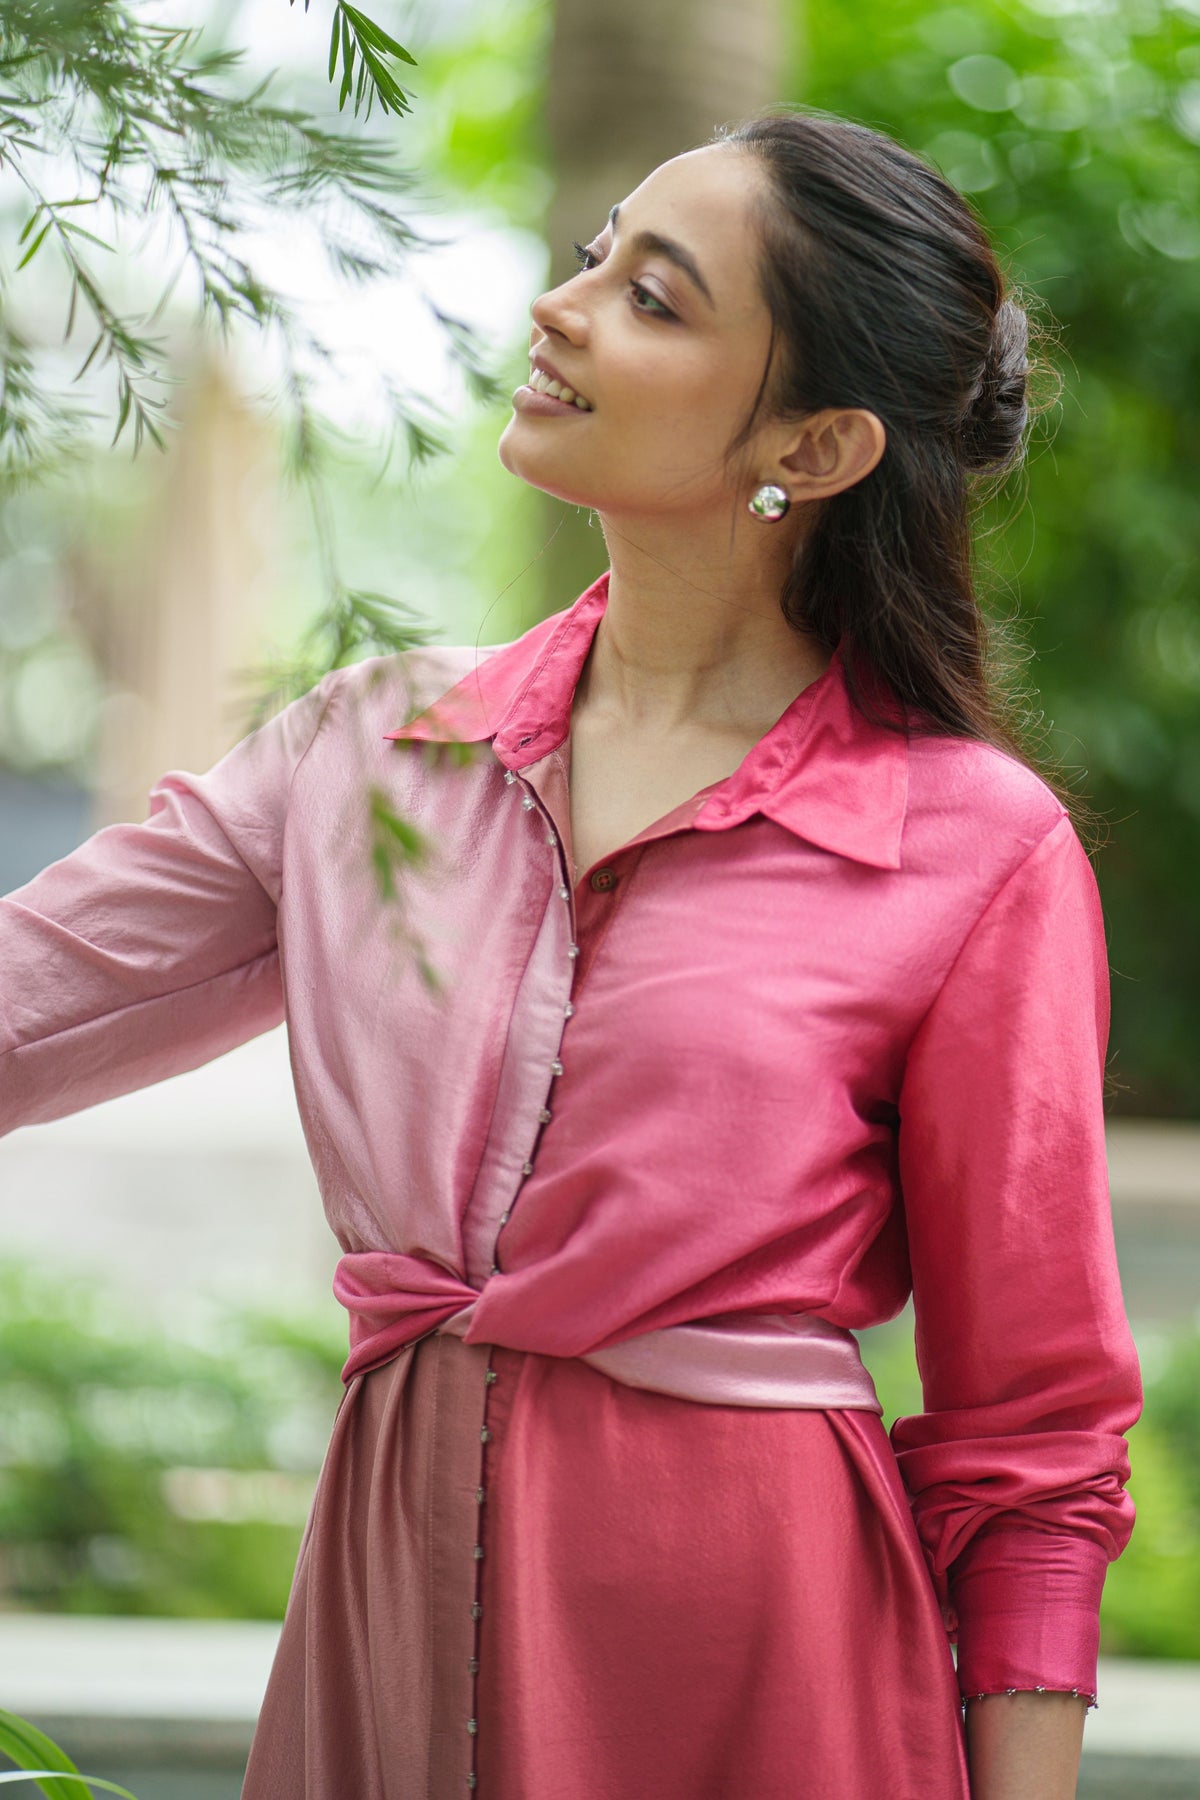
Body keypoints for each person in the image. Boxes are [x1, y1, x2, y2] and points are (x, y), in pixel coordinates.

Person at [0, 109, 1141, 1800]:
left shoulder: (972, 848)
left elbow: (1032, 1444)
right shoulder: (367, 754)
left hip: (764, 1676)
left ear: (815, 449)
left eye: (657, 297)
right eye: (599, 247)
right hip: (386, 1630)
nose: (564, 303)